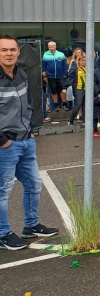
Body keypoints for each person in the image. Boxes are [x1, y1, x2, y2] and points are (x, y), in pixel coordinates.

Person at [0, 35, 59, 250]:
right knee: (3, 192)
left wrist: (32, 131)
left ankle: (31, 226)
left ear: (18, 52)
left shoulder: (22, 74)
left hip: (26, 141)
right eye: (3, 50)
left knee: (34, 184)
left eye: (12, 50)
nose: (8, 53)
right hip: (5, 146)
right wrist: (2, 141)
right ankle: (2, 233)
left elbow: (29, 103)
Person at [41, 41, 68, 112]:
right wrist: (44, 74)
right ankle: (56, 105)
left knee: (62, 90)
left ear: (55, 46)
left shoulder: (61, 54)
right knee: (53, 91)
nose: (51, 48)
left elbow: (64, 65)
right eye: (49, 46)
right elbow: (44, 65)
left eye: (52, 46)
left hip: (61, 75)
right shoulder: (45, 54)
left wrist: (65, 74)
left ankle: (64, 104)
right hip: (51, 76)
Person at [63, 56, 88, 126]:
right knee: (78, 105)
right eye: (82, 60)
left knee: (86, 105)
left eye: (85, 60)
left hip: (87, 89)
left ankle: (85, 120)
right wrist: (65, 87)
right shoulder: (75, 68)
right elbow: (70, 78)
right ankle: (70, 120)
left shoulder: (88, 68)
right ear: (79, 61)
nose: (84, 62)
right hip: (78, 88)